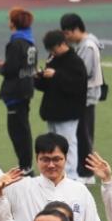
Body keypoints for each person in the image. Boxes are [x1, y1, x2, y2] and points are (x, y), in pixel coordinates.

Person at [34, 29, 87, 181]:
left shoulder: (75, 61)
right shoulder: (53, 59)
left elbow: (77, 86)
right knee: (54, 145)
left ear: (62, 44)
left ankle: (71, 176)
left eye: (54, 49)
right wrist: (39, 77)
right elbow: (46, 86)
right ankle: (57, 174)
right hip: (53, 111)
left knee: (68, 144)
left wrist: (56, 75)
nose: (52, 52)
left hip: (68, 113)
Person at [60, 14, 102, 182]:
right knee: (81, 134)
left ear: (76, 29)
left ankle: (87, 173)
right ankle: (84, 170)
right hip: (83, 96)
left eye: (68, 33)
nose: (67, 37)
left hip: (87, 96)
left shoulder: (88, 46)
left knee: (84, 135)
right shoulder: (83, 44)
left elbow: (84, 72)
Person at [0, 7, 37, 174]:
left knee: (17, 130)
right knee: (23, 128)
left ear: (13, 23)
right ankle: (26, 166)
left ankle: (25, 167)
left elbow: (10, 69)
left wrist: (1, 67)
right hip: (26, 88)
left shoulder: (16, 43)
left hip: (15, 91)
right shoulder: (30, 42)